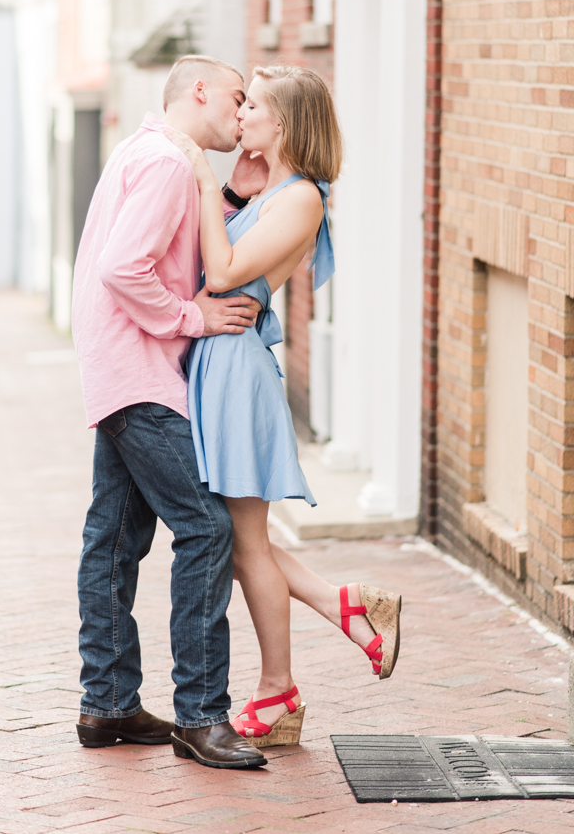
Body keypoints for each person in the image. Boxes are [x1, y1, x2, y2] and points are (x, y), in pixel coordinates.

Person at [165, 64, 402, 750]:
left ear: (286, 124)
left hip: (238, 371)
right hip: (223, 361)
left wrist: (209, 183)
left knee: (245, 543)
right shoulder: (274, 189)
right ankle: (341, 610)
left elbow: (225, 272)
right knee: (245, 543)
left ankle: (279, 690)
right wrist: (235, 187)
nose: (241, 116)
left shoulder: (302, 197)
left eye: (255, 106)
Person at [72, 55, 274, 771]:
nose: (243, 112)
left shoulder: (149, 152)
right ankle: (201, 715)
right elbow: (124, 266)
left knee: (116, 538)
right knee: (207, 524)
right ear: (199, 91)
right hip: (141, 377)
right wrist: (192, 316)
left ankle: (109, 703)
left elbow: (169, 246)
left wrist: (225, 196)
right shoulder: (162, 161)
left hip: (118, 371)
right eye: (236, 96)